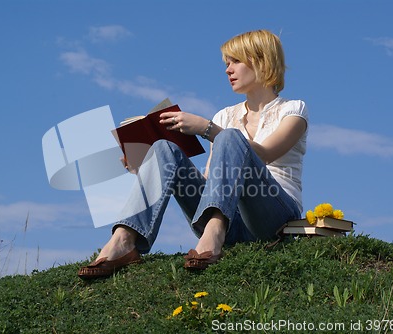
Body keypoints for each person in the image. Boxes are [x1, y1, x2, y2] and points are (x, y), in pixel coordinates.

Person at [78, 29, 308, 279]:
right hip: (231, 218)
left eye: (236, 61)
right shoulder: (225, 115)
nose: (227, 70)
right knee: (163, 148)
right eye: (226, 63)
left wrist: (207, 129)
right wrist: (147, 168)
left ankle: (215, 232)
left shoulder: (293, 110)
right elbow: (214, 181)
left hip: (273, 215)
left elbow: (265, 154)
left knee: (229, 136)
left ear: (262, 60)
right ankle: (124, 240)